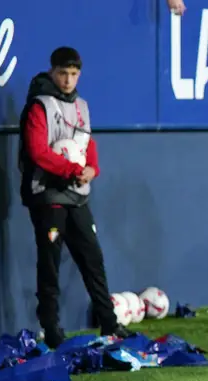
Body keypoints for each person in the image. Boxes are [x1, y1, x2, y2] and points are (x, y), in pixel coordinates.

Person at [18, 47, 129, 348]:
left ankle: (109, 322)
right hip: (48, 196)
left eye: (74, 74)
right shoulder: (39, 106)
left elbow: (87, 143)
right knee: (50, 264)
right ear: (53, 72)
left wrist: (92, 169)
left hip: (78, 196)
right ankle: (51, 327)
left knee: (93, 259)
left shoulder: (82, 105)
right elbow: (37, 152)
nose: (68, 80)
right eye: (63, 73)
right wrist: (70, 169)